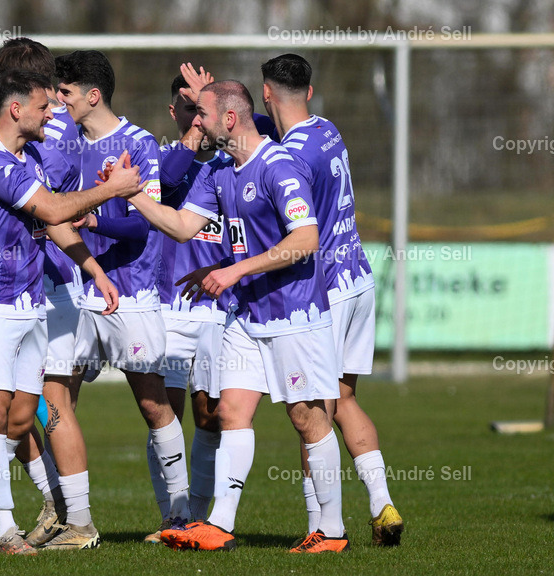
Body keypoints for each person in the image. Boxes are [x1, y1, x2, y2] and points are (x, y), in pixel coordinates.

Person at [118, 80, 350, 553]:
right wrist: (132, 195)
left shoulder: (279, 165)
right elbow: (183, 227)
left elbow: (306, 240)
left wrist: (235, 269)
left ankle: (333, 530)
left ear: (228, 119)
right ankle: (220, 523)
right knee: (230, 411)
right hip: (245, 315)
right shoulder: (219, 170)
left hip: (294, 313)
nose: (193, 120)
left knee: (306, 419)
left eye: (200, 112)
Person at [0, 68, 142, 555]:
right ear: (16, 110)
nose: (52, 114)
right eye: (43, 106)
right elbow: (51, 210)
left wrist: (93, 268)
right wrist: (114, 190)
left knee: (21, 416)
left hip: (30, 302)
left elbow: (52, 220)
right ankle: (7, 533)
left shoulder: (24, 157)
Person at [261, 53, 402, 546]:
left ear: (265, 93)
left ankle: (321, 527)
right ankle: (382, 503)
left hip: (326, 292)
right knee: (344, 399)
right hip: (359, 277)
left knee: (313, 408)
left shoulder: (290, 157)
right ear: (311, 92)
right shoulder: (326, 129)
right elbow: (272, 127)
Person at [54, 50, 194, 529]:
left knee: (152, 404)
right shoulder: (60, 142)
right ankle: (71, 517)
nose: (58, 99)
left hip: (129, 294)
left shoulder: (139, 145)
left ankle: (179, 515)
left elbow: (143, 229)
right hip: (76, 294)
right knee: (57, 402)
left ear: (93, 96)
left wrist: (96, 217)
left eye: (66, 92)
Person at [144, 68, 282, 542]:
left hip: (218, 306)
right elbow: (163, 181)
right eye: (189, 110)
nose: (198, 121)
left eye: (203, 110)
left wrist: (220, 100)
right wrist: (197, 126)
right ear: (175, 113)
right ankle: (172, 516)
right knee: (163, 414)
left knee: (211, 413)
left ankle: (198, 515)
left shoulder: (239, 161)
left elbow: (259, 125)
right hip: (170, 304)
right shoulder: (181, 164)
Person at [0, 36, 93, 550]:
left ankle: (79, 520)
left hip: (43, 281)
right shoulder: (63, 126)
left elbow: (48, 209)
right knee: (20, 406)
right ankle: (56, 505)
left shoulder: (41, 134)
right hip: (37, 283)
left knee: (50, 404)